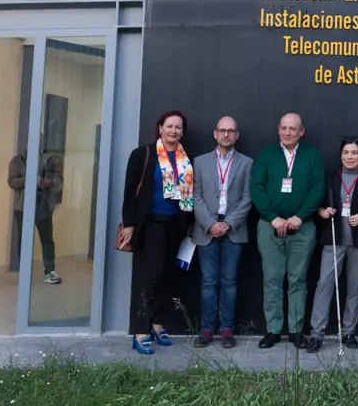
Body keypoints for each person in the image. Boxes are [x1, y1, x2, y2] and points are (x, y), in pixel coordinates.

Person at [116, 110, 195, 355]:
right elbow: (130, 191)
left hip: (176, 225)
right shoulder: (144, 154)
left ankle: (157, 324)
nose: (174, 131)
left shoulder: (184, 158)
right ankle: (141, 330)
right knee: (150, 277)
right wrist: (129, 223)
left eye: (178, 128)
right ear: (160, 127)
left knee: (167, 276)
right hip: (151, 225)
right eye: (170, 126)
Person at [250, 112, 325, 349]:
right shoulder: (266, 155)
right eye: (283, 128)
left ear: (301, 131)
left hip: (301, 229)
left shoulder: (312, 156)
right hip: (269, 227)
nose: (287, 133)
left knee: (298, 280)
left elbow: (317, 190)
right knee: (272, 279)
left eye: (292, 129)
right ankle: (273, 330)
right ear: (278, 129)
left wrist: (299, 217)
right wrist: (273, 217)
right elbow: (256, 188)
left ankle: (295, 331)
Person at [306, 137, 358, 353]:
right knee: (324, 285)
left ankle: (348, 332)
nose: (350, 157)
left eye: (354, 153)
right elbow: (317, 206)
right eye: (346, 153)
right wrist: (323, 212)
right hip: (333, 239)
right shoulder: (329, 178)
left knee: (354, 288)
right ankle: (316, 334)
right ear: (341, 155)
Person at [191, 116, 253, 349]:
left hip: (233, 229)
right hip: (206, 228)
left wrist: (227, 224)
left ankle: (227, 330)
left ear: (237, 135)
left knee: (229, 282)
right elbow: (195, 196)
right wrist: (210, 224)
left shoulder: (247, 163)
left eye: (231, 131)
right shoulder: (199, 162)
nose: (226, 135)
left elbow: (248, 198)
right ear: (215, 134)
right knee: (208, 282)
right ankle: (206, 330)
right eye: (222, 131)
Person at [8, 140, 64, 284]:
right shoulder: (17, 161)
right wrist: (29, 180)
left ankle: (50, 272)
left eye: (39, 142)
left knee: (47, 240)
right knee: (24, 240)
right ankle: (25, 271)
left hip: (43, 206)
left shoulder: (49, 160)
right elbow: (12, 182)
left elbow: (58, 181)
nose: (36, 144)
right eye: (33, 141)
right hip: (23, 208)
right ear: (26, 143)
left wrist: (47, 183)